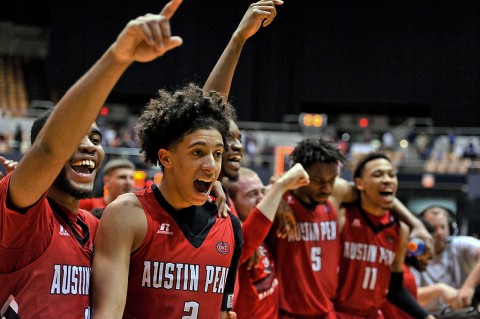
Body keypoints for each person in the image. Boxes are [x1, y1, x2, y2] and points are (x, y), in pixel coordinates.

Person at [267, 140, 433, 319]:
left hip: (344, 312)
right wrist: (277, 194)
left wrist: (416, 224)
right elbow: (267, 190)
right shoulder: (289, 201)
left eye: (332, 179)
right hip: (309, 311)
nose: (327, 187)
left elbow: (378, 195)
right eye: (319, 181)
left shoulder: (336, 196)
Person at [202, 0, 282, 219]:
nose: (237, 147)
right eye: (228, 138)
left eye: (239, 139)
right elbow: (208, 110)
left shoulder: (222, 197)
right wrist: (238, 39)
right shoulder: (198, 193)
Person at [334, 152, 434, 319]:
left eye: (392, 174)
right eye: (378, 175)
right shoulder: (343, 215)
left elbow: (394, 289)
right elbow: (338, 186)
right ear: (359, 183)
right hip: (338, 312)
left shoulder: (400, 229)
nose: (387, 180)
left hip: (373, 314)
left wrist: (426, 316)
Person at [224, 165, 309, 318]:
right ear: (232, 204)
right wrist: (280, 186)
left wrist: (280, 197)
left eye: (262, 192)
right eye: (251, 194)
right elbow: (251, 232)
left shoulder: (267, 228)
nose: (262, 199)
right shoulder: (232, 240)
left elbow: (272, 186)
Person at [418, 205, 480, 312]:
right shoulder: (414, 254)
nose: (439, 233)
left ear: (451, 228)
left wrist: (469, 286)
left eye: (443, 227)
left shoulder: (460, 245)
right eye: (433, 228)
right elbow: (408, 295)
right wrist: (439, 290)